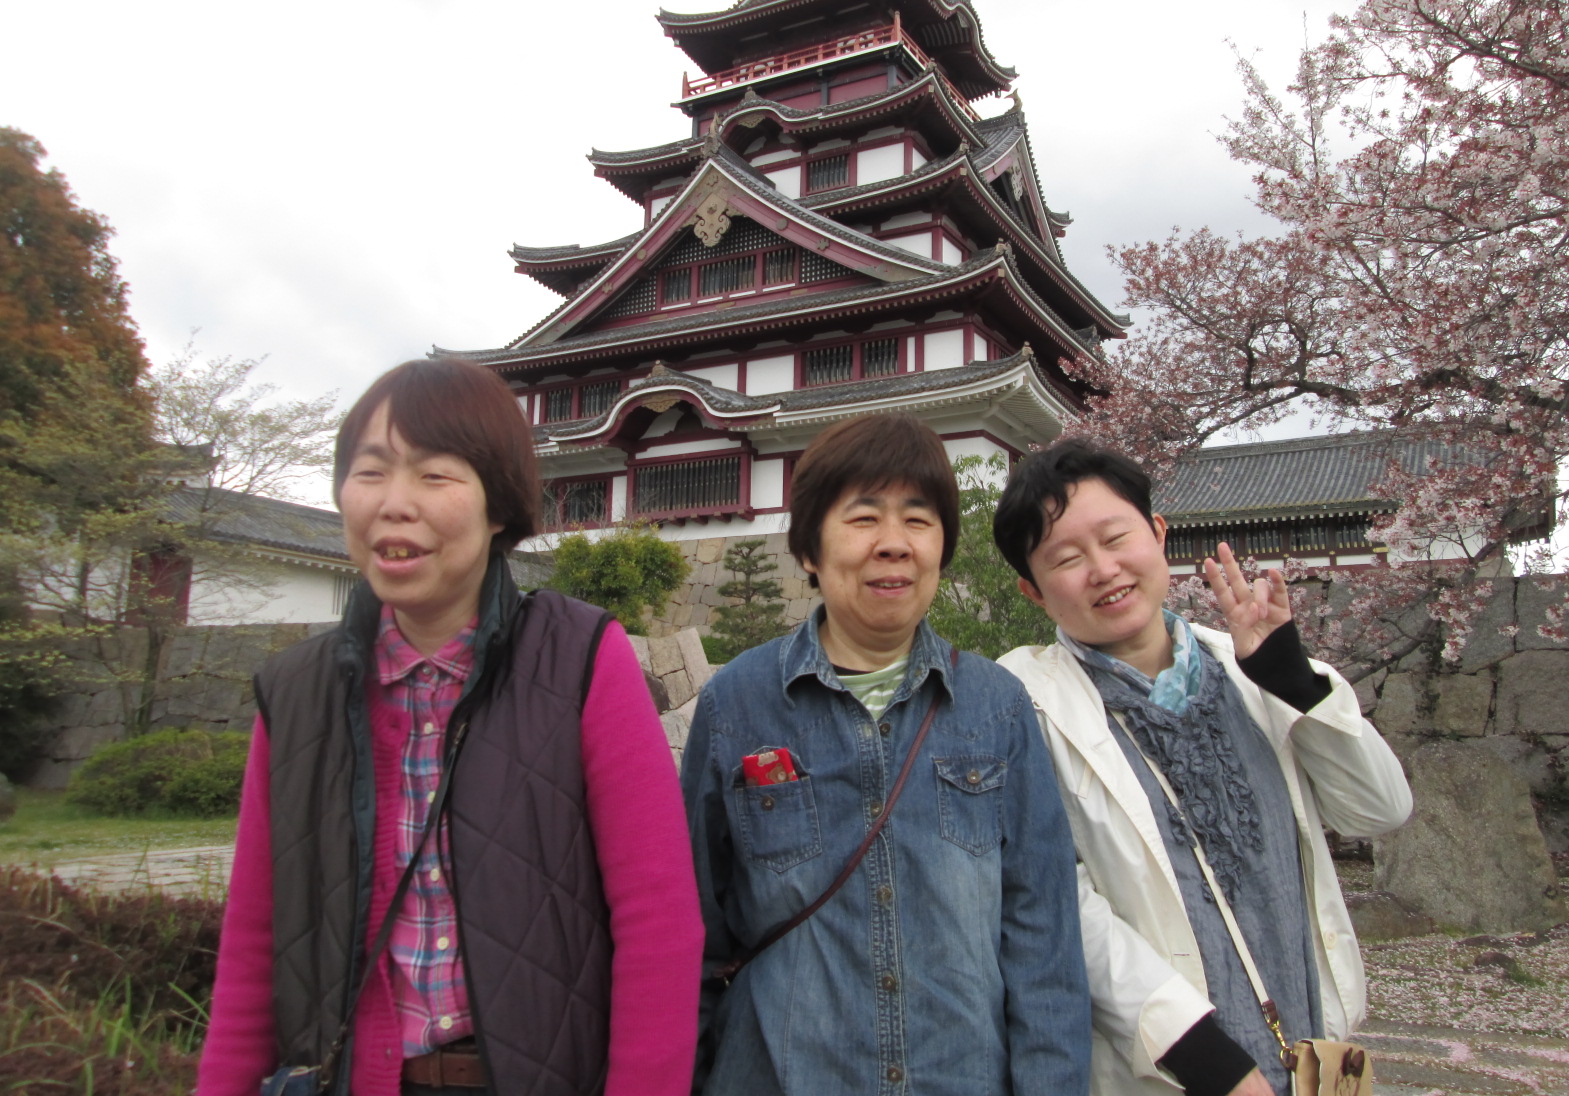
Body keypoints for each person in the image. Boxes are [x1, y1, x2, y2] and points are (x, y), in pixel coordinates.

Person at [197, 358, 703, 1096]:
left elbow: (658, 921)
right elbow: (254, 942)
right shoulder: (297, 692)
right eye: (370, 472)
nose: (394, 503)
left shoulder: (581, 659)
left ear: (499, 506)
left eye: (434, 475)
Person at [681, 414, 1092, 1096]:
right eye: (864, 518)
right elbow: (692, 932)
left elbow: (1043, 942)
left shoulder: (997, 707)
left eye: (918, 520)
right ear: (809, 550)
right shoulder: (737, 704)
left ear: (942, 547)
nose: (894, 544)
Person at [992, 439, 1413, 1096]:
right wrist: (1196, 1052)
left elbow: (1379, 810)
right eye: (1067, 559)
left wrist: (1295, 683)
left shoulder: (1253, 670)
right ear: (1033, 591)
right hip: (1172, 1067)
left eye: (1116, 538)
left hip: (1312, 1042)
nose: (1103, 569)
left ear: (1159, 534)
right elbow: (1054, 896)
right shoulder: (1021, 702)